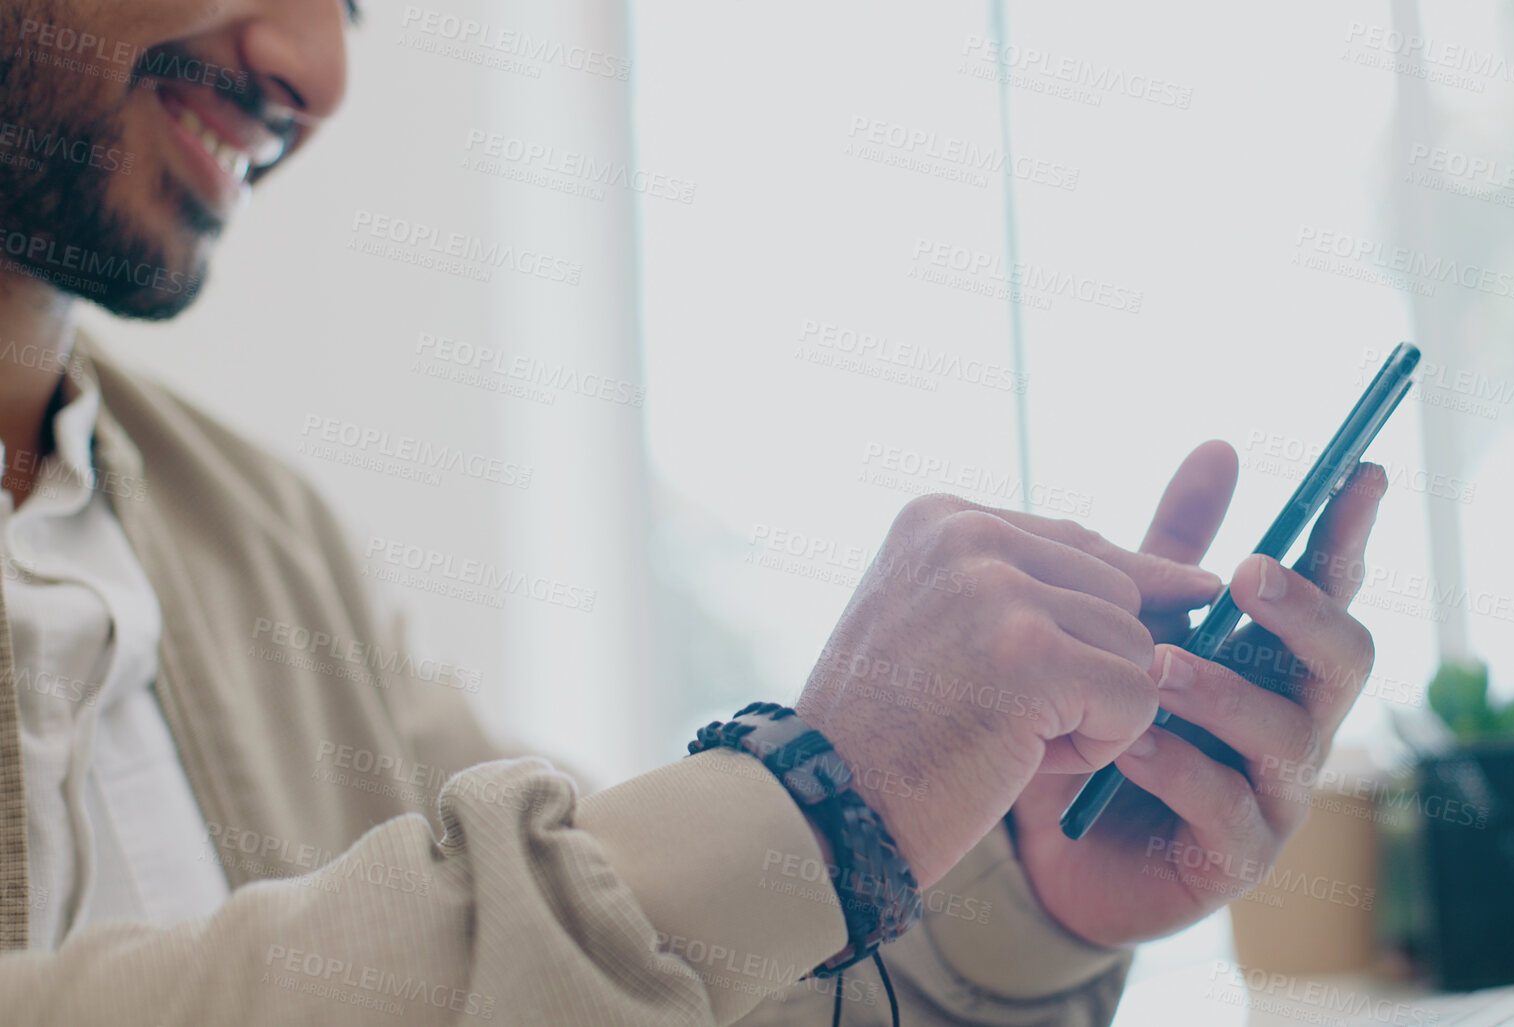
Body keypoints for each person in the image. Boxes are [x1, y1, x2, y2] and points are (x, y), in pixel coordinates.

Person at [0, 1, 1385, 1023]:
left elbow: (616, 984)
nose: (318, 68)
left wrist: (1021, 896)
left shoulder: (264, 540)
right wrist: (809, 799)